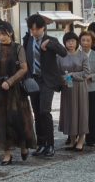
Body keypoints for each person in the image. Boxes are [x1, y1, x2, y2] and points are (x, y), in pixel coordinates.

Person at [0, 21, 35, 165]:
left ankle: (24, 146)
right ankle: (7, 153)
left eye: (3, 34)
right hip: (0, 89)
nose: (0, 37)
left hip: (17, 89)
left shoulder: (18, 48)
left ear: (10, 33)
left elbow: (24, 68)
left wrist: (10, 81)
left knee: (19, 119)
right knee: (2, 120)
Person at [27, 14, 68, 158]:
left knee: (45, 111)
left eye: (36, 29)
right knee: (37, 113)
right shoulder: (29, 41)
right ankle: (41, 144)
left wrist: (49, 44)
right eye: (32, 30)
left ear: (43, 28)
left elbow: (63, 53)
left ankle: (50, 145)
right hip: (34, 80)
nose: (34, 32)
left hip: (47, 81)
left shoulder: (51, 40)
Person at [58, 31, 90, 152]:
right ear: (64, 43)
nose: (70, 44)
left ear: (77, 42)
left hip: (80, 87)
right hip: (67, 88)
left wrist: (72, 75)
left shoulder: (83, 56)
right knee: (69, 112)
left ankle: (81, 139)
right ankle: (72, 140)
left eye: (72, 41)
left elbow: (86, 73)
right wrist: (64, 78)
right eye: (68, 41)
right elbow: (57, 73)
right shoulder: (60, 56)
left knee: (81, 112)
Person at [80, 30, 95, 148]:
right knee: (78, 113)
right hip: (78, 88)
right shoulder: (76, 54)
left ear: (92, 42)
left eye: (88, 40)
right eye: (83, 40)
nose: (85, 43)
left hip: (92, 88)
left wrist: (92, 77)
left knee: (92, 114)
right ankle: (75, 138)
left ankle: (92, 139)